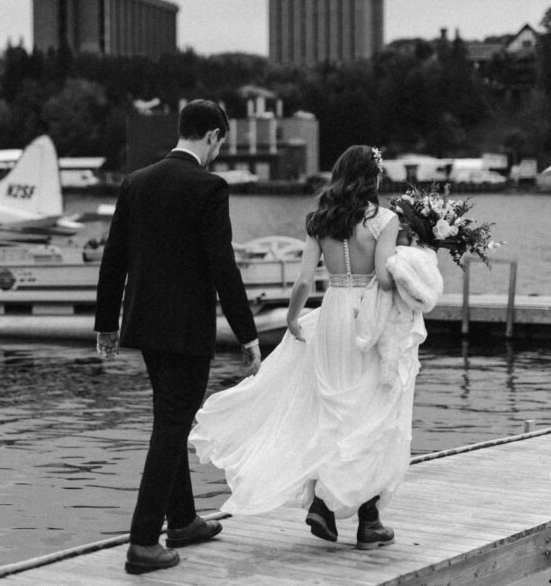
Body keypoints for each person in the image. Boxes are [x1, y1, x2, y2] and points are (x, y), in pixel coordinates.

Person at [189, 144, 420, 551]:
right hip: (368, 317)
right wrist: (414, 262)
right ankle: (363, 520)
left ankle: (329, 507)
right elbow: (385, 279)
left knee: (334, 410)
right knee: (371, 413)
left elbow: (301, 282)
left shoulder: (320, 220)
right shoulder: (385, 220)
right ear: (374, 178)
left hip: (332, 313)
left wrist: (293, 318)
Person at [94, 99, 262, 575]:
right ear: (211, 136)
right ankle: (144, 542)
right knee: (171, 426)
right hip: (187, 329)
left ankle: (183, 520)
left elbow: (114, 259)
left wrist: (106, 324)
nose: (218, 154)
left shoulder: (136, 182)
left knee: (170, 417)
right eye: (220, 144)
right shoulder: (209, 187)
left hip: (146, 326)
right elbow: (221, 266)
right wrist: (247, 333)